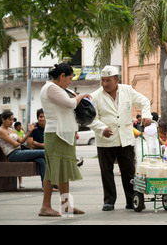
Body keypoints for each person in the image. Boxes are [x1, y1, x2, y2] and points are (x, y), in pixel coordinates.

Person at [89, 65, 152, 212]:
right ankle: (109, 201)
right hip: (105, 140)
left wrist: (147, 115)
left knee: (129, 172)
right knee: (106, 172)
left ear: (117, 79)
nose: (105, 84)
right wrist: (101, 128)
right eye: (103, 80)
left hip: (126, 139)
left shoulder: (127, 90)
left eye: (108, 80)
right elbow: (90, 118)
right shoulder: (95, 96)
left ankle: (131, 200)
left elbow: (144, 102)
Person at [39, 63, 91, 217]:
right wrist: (80, 96)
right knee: (52, 171)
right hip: (56, 134)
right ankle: (45, 206)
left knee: (63, 172)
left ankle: (66, 206)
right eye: (69, 78)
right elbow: (69, 104)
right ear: (62, 76)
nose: (70, 82)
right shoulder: (50, 88)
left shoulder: (58, 89)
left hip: (63, 134)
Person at [0, 111, 41, 190]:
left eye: (13, 120)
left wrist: (29, 132)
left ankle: (46, 185)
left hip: (19, 152)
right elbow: (15, 144)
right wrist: (29, 143)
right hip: (13, 154)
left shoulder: (11, 129)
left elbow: (21, 141)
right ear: (3, 119)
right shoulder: (0, 131)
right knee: (43, 152)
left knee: (41, 159)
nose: (12, 122)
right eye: (10, 119)